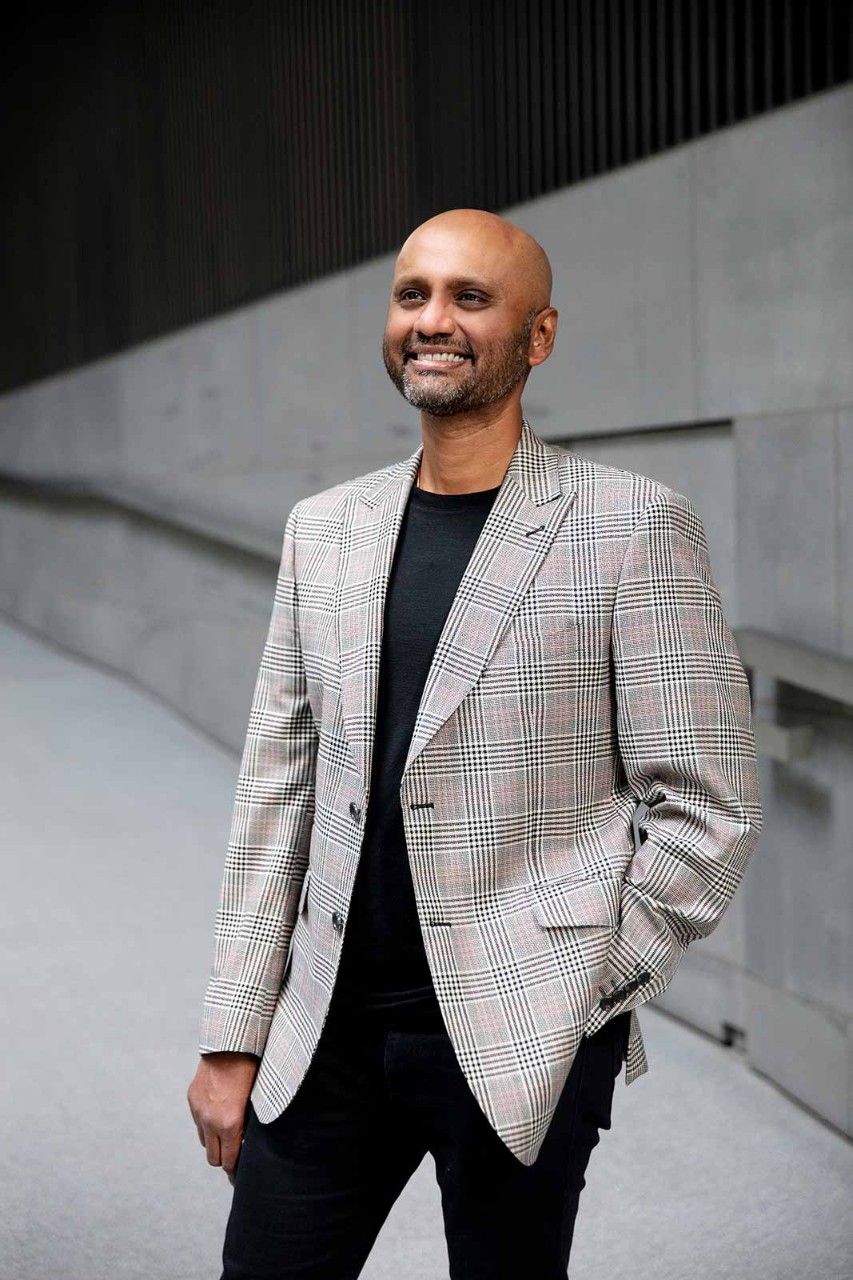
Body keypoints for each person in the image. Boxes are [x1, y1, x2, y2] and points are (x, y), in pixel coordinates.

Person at [187, 208, 762, 1278]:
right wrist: (233, 1029)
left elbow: (707, 804)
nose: (432, 320)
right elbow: (277, 787)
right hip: (324, 1033)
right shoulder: (325, 529)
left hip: (520, 1035)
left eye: (470, 297)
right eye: (412, 294)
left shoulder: (630, 525)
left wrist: (583, 988)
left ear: (538, 335)